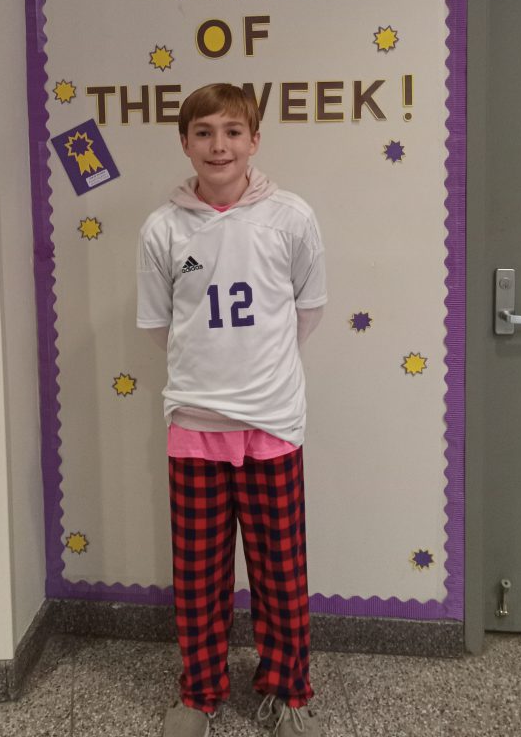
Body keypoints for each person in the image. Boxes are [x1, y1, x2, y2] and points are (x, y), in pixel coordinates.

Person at [137, 83, 326, 737]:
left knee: (281, 572)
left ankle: (287, 688)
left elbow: (308, 310)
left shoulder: (291, 217)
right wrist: (212, 377)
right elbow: (162, 325)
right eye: (204, 133)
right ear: (185, 142)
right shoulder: (162, 227)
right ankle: (201, 692)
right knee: (199, 577)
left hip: (272, 425)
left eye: (233, 132)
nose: (219, 145)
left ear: (254, 140)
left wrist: (257, 374)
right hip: (195, 428)